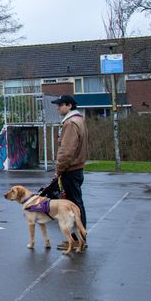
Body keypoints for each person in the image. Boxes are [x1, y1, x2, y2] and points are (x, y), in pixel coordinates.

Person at [53, 94, 88, 250]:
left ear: (69, 106)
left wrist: (59, 170)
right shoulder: (79, 120)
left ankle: (77, 239)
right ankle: (78, 238)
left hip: (70, 169)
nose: (58, 107)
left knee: (74, 206)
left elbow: (67, 151)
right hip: (77, 168)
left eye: (60, 105)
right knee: (76, 204)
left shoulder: (70, 123)